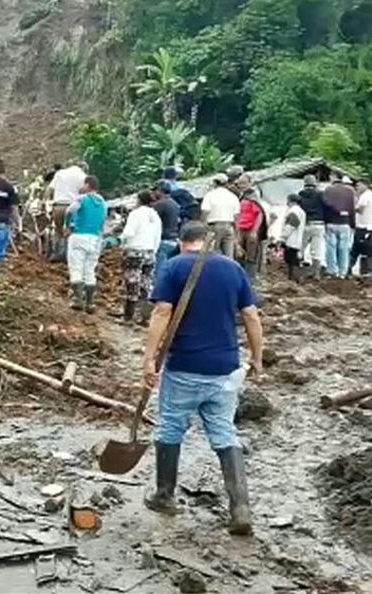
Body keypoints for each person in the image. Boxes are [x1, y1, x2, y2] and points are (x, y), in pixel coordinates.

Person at [141, 222, 263, 535]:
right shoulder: (233, 269)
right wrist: (257, 356)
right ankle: (240, 507)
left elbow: (161, 313)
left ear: (184, 242)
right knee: (224, 431)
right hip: (225, 367)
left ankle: (165, 495)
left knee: (170, 426)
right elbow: (250, 315)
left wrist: (149, 359)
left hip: (185, 365)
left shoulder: (174, 266)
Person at [120, 191, 163, 324]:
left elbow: (129, 232)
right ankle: (145, 317)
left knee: (132, 283)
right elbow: (158, 236)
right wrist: (153, 251)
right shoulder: (155, 216)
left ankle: (128, 316)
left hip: (135, 251)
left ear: (139, 200)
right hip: (150, 251)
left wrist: (122, 243)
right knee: (145, 284)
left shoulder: (136, 214)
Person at [66, 175, 107, 313]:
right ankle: (90, 303)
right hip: (95, 238)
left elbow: (69, 211)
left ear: (88, 185)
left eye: (83, 184)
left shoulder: (82, 199)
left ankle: (77, 300)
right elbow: (102, 222)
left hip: (79, 236)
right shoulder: (102, 202)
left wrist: (68, 225)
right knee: (90, 270)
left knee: (76, 267)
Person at [46, 161, 86, 262]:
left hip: (58, 206)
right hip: (73, 207)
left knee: (58, 231)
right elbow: (85, 194)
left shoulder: (60, 173)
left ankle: (57, 253)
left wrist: (48, 203)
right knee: (73, 232)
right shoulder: (83, 176)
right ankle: (70, 256)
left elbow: (50, 189)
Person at [322, 172, 356, 277]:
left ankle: (333, 270)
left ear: (333, 177)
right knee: (344, 248)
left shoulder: (328, 190)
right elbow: (352, 208)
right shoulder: (350, 191)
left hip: (331, 221)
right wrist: (352, 223)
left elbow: (325, 206)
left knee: (331, 247)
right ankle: (343, 271)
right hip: (345, 222)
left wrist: (325, 220)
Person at [200, 173, 240, 258]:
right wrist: (236, 233)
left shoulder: (210, 195)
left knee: (213, 254)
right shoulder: (233, 196)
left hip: (214, 226)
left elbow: (205, 212)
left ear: (215, 183)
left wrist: (203, 227)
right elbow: (236, 216)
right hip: (229, 226)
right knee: (229, 256)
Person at [235, 176, 266, 281]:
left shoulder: (253, 197)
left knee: (251, 255)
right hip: (241, 229)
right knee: (239, 254)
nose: (241, 186)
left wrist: (254, 231)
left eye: (244, 183)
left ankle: (250, 278)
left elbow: (259, 214)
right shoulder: (242, 197)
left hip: (250, 230)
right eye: (240, 183)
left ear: (250, 183)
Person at [297, 175, 326, 279]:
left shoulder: (301, 194)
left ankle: (298, 271)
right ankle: (316, 273)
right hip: (319, 224)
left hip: (305, 223)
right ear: (315, 183)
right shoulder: (321, 194)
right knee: (317, 249)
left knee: (300, 247)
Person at [152, 182, 181, 270]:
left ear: (160, 191)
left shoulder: (160, 204)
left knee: (159, 270)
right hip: (173, 239)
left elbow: (150, 221)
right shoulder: (175, 204)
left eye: (155, 191)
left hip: (163, 240)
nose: (153, 193)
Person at [352, 181, 372, 276]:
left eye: (359, 185)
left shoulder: (366, 196)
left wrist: (352, 206)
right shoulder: (368, 195)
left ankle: (370, 270)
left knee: (365, 249)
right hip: (363, 227)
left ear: (365, 185)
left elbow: (361, 210)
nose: (357, 187)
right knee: (358, 249)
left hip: (365, 227)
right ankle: (363, 270)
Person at [280, 193, 306, 282]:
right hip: (297, 239)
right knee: (294, 260)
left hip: (291, 240)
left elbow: (290, 226)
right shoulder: (301, 211)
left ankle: (293, 279)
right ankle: (295, 278)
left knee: (291, 261)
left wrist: (283, 237)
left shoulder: (293, 211)